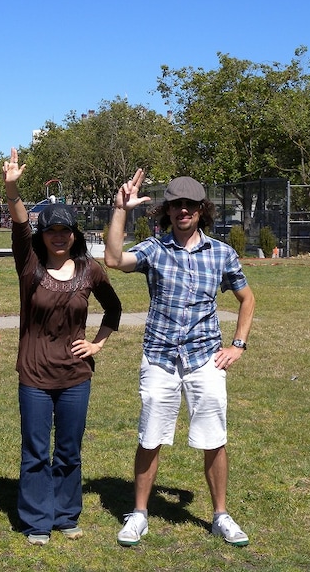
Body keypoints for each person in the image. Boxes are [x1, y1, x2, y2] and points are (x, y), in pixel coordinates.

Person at [104, 170, 255, 547]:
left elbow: (247, 299)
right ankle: (139, 514)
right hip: (160, 357)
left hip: (206, 358)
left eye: (190, 205)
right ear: (167, 211)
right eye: (175, 205)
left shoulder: (221, 253)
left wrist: (238, 344)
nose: (182, 211)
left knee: (214, 437)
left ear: (202, 210)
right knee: (150, 435)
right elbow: (112, 259)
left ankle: (221, 515)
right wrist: (121, 210)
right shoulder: (155, 249)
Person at [2, 148, 122, 546]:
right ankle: (38, 520)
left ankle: (67, 515)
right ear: (43, 234)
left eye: (65, 230)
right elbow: (20, 224)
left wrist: (98, 344)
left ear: (75, 234)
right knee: (36, 450)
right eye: (52, 230)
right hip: (34, 376)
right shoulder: (30, 263)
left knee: (69, 450)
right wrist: (13, 188)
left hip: (75, 377)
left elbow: (114, 308)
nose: (58, 235)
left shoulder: (90, 269)